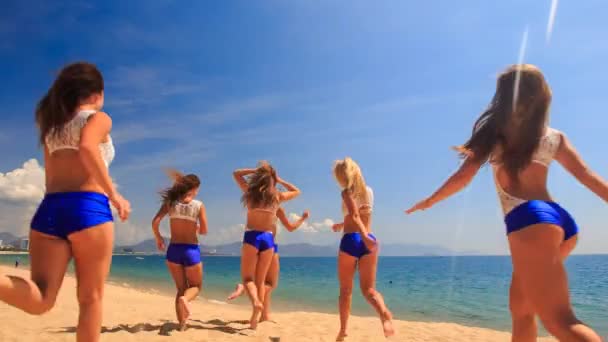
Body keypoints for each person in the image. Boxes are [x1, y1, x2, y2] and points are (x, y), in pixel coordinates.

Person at [406, 64, 605, 342]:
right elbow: (587, 176)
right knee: (521, 309)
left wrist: (430, 200)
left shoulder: (495, 135)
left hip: (529, 219)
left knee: (561, 320)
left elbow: (463, 177)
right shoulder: (554, 137)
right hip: (560, 222)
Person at [0, 62, 130, 342]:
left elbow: (50, 178)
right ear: (97, 93)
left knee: (41, 299)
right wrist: (114, 194)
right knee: (91, 299)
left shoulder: (52, 128)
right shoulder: (98, 118)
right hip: (88, 209)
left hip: (50, 210)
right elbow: (87, 147)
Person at [332, 157, 394, 341]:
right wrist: (345, 225)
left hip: (352, 240)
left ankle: (343, 330)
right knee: (369, 290)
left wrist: (361, 233)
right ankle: (383, 313)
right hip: (370, 243)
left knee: (345, 291)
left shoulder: (346, 192)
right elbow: (360, 213)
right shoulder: (369, 191)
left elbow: (354, 214)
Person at [233, 161, 300, 329]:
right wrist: (279, 179)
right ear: (272, 179)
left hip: (252, 236)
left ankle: (256, 303)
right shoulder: (277, 196)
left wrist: (256, 170)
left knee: (248, 278)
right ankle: (256, 320)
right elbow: (296, 191)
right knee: (261, 281)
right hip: (268, 239)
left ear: (258, 177)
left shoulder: (250, 192)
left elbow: (236, 173)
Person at [227, 207, 310, 323]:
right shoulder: (276, 207)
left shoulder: (256, 202)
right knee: (270, 283)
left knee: (262, 283)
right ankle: (244, 289)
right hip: (269, 245)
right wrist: (303, 218)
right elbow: (290, 227)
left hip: (253, 241)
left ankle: (264, 315)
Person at [152, 170, 207, 330]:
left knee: (181, 289)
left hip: (173, 250)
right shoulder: (198, 205)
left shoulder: (170, 202)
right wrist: (196, 227)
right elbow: (204, 230)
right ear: (195, 188)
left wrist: (158, 238)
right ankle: (186, 301)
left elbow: (155, 222)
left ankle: (181, 325)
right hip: (191, 250)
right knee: (196, 287)